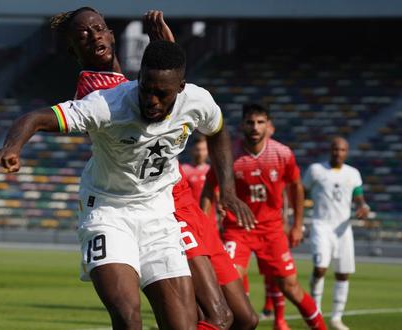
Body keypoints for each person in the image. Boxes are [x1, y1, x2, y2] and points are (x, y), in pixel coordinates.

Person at [0, 40, 253, 330]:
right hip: (107, 213)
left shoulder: (198, 102)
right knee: (127, 315)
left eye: (162, 94)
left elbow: (217, 131)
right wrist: (12, 147)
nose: (151, 100)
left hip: (160, 216)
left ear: (181, 87)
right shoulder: (106, 105)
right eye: (146, 88)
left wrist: (226, 189)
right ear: (139, 78)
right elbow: (35, 118)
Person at [50, 8, 257, 329]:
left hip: (178, 195)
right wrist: (166, 49)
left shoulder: (130, 79)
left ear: (112, 33)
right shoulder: (98, 93)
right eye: (82, 37)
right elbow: (158, 88)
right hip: (160, 203)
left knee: (244, 319)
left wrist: (166, 48)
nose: (94, 38)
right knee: (218, 317)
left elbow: (167, 77)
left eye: (99, 29)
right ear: (73, 51)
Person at [202, 103, 327, 330]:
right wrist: (204, 224)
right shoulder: (230, 154)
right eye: (250, 122)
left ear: (268, 125)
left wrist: (297, 225)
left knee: (291, 287)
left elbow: (296, 187)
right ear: (242, 125)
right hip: (237, 230)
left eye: (260, 122)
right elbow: (209, 188)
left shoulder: (282, 153)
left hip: (271, 230)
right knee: (227, 284)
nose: (255, 127)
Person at [304, 137, 370, 330]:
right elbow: (301, 191)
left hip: (343, 228)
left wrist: (363, 207)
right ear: (330, 150)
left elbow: (358, 196)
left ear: (346, 152)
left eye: (342, 150)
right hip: (321, 225)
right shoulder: (316, 170)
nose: (338, 153)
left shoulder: (353, 173)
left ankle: (336, 318)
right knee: (320, 268)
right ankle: (315, 313)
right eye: (335, 149)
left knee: (343, 274)